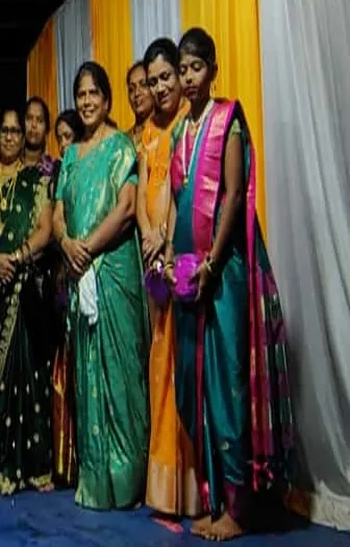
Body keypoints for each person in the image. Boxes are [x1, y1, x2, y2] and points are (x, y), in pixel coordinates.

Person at [164, 28, 294, 541]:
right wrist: (170, 258)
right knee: (195, 387)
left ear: (213, 71)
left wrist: (213, 262)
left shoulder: (228, 121)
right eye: (183, 69)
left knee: (228, 384)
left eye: (196, 68)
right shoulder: (181, 132)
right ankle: (214, 499)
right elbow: (178, 200)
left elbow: (235, 195)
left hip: (224, 273)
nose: (189, 78)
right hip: (189, 277)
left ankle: (238, 509)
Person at [53, 61, 149, 510]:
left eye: (94, 93)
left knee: (121, 371)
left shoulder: (121, 147)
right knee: (88, 373)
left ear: (108, 100)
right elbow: (58, 214)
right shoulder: (71, 156)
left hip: (113, 271)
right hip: (80, 272)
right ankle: (96, 480)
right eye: (81, 94)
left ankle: (127, 481)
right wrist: (66, 243)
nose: (87, 101)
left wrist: (87, 248)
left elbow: (127, 209)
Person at [0, 107, 55, 495]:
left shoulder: (37, 179)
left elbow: (45, 229)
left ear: (23, 138)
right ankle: (3, 462)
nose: (8, 137)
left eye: (14, 131)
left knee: (31, 374)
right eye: (3, 131)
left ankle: (35, 467)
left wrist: (16, 258)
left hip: (25, 290)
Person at [136, 37, 199, 521]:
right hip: (153, 259)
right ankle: (162, 489)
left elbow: (187, 195)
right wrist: (148, 237)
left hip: (184, 256)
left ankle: (192, 488)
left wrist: (168, 241)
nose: (159, 88)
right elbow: (142, 195)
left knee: (184, 367)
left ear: (180, 77)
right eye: (152, 80)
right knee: (158, 364)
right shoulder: (149, 134)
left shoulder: (190, 127)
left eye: (165, 78)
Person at [50, 108, 84, 488]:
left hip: (88, 267)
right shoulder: (59, 172)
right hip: (61, 276)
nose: (63, 144)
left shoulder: (89, 165)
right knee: (63, 367)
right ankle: (65, 460)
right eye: (59, 137)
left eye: (68, 136)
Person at [127, 61, 154, 146]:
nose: (137, 93)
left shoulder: (164, 131)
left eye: (143, 85)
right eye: (131, 89)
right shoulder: (124, 141)